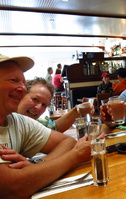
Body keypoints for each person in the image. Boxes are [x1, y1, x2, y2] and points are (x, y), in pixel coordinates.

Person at [0, 54, 92, 198]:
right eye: (14, 80)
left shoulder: (17, 121)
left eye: (23, 83)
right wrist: (75, 156)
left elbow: (67, 141)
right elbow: (12, 188)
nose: (22, 88)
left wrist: (35, 166)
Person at [17, 77, 94, 132]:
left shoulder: (33, 123)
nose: (39, 107)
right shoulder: (7, 120)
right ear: (21, 95)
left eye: (44, 104)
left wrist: (77, 110)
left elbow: (54, 128)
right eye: (35, 99)